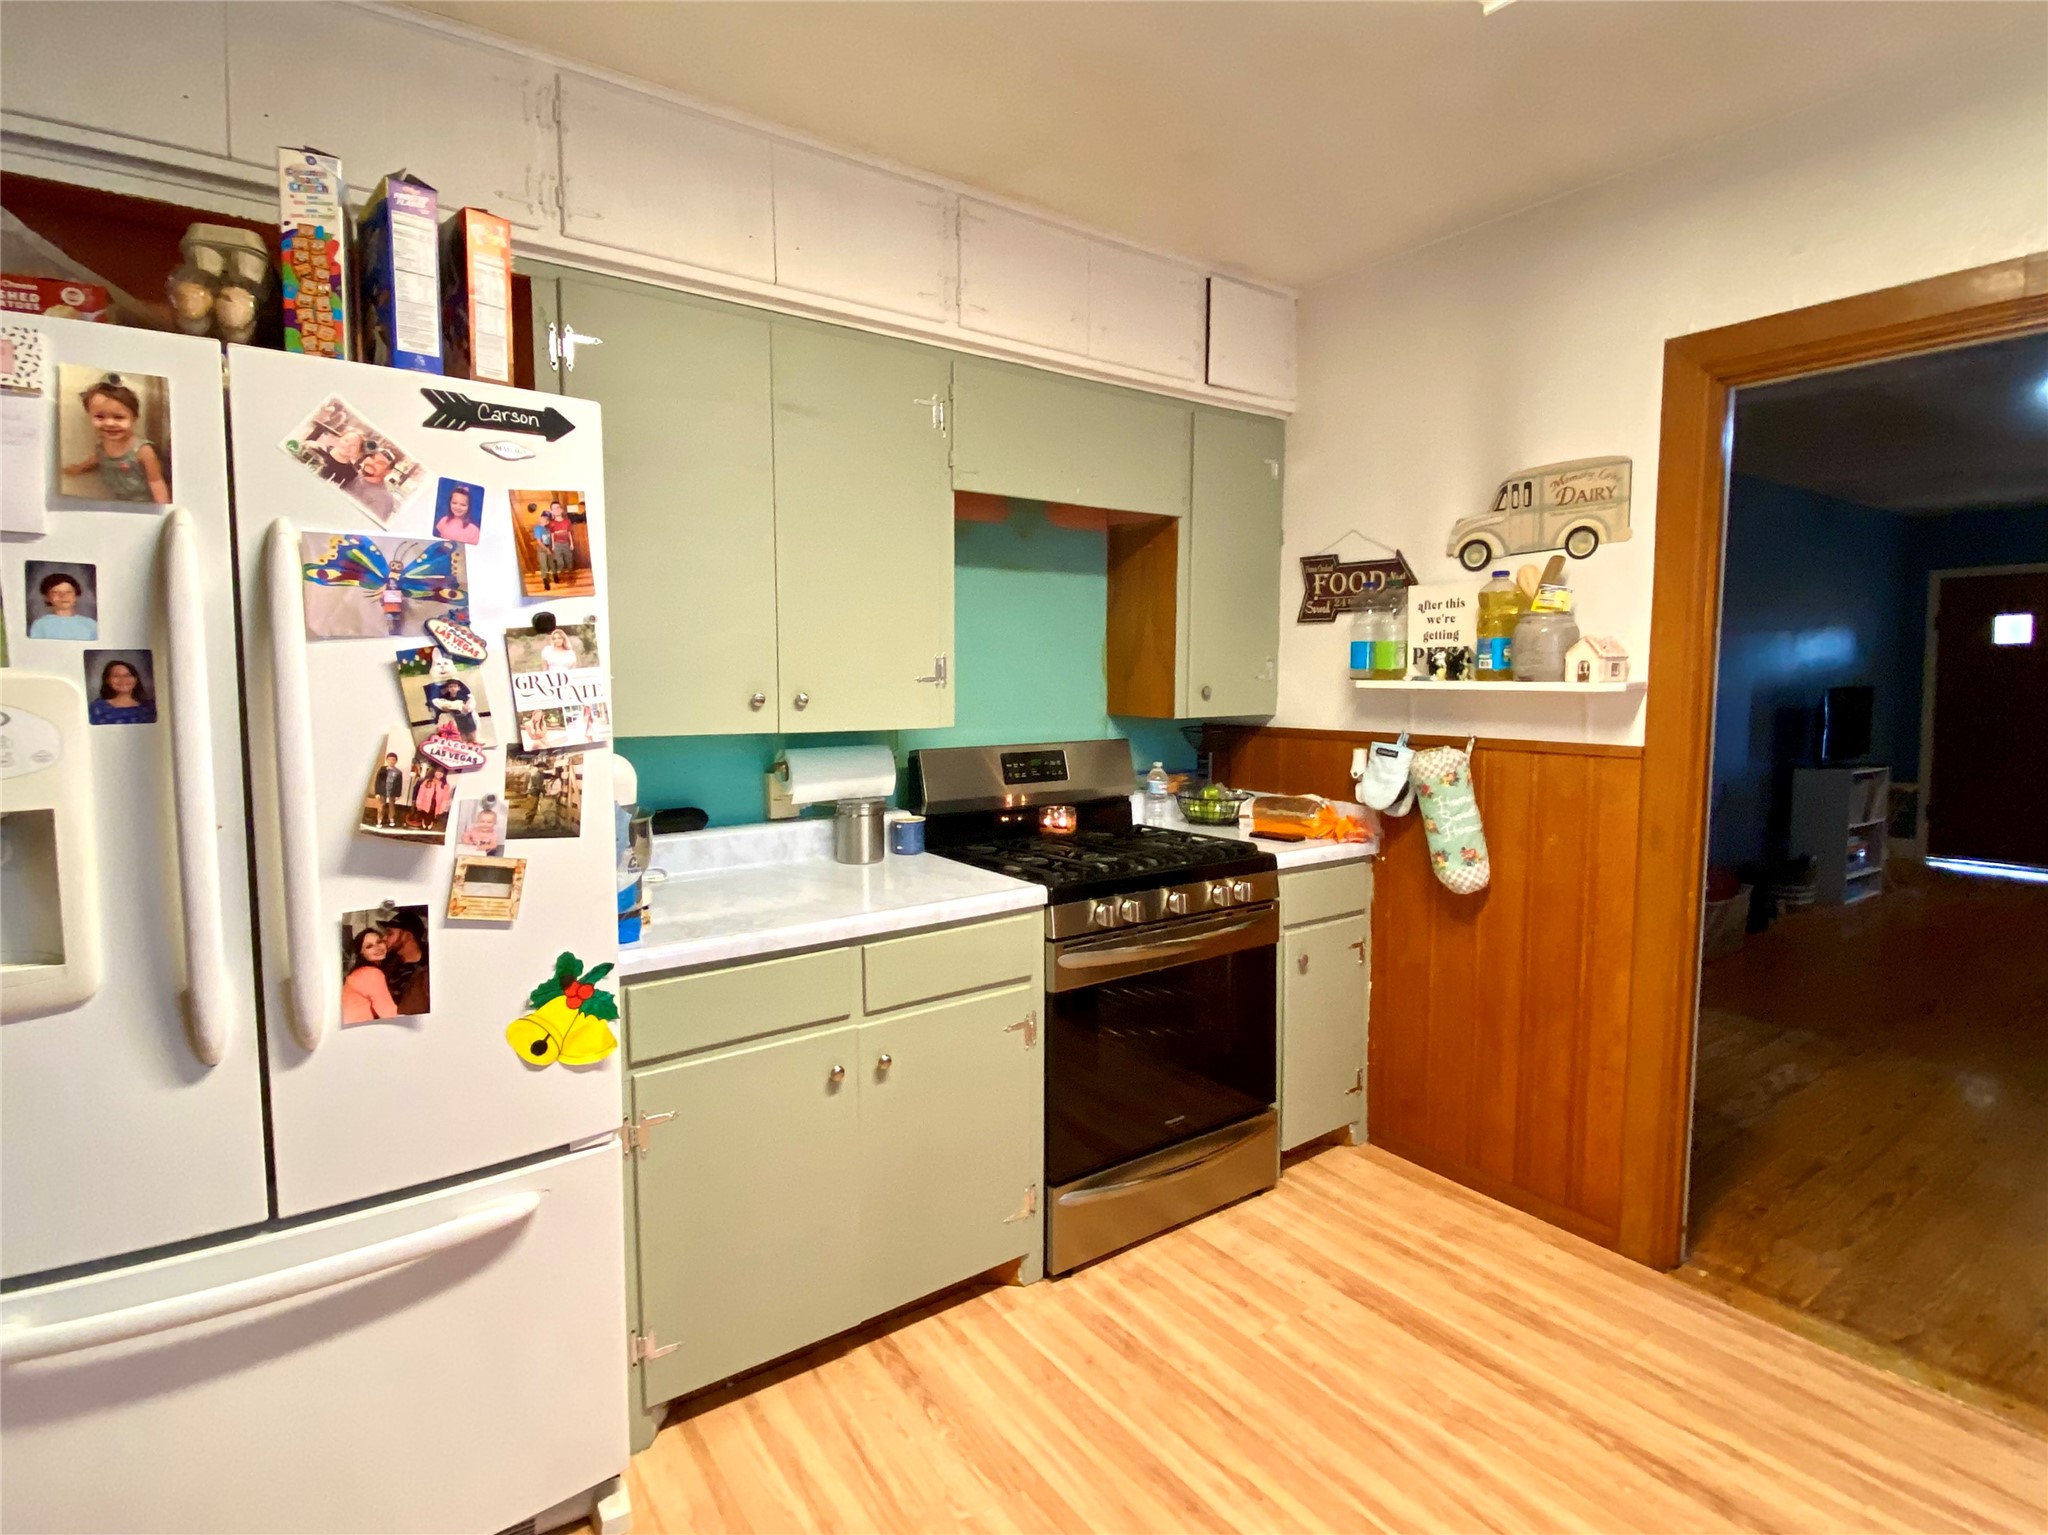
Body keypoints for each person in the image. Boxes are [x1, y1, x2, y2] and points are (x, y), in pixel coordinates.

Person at [62, 376, 170, 503]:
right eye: (100, 416)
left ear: (134, 418)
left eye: (118, 417)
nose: (109, 423)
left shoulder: (143, 450)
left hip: (144, 502)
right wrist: (80, 468)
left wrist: (163, 508)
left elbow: (156, 481)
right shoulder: (102, 442)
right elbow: (98, 457)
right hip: (120, 501)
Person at [340, 927, 398, 1024]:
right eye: (369, 946)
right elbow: (389, 1014)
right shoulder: (371, 974)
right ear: (361, 953)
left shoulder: (359, 973)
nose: (377, 947)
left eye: (379, 942)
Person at [379, 909, 431, 1017]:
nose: (384, 938)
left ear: (407, 936)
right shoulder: (386, 964)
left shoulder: (429, 968)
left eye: (390, 933)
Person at [29, 571, 96, 639]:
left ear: (76, 596)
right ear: (47, 597)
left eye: (68, 592)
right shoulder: (40, 624)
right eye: (55, 592)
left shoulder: (91, 624)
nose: (63, 596)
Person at [87, 657, 154, 725]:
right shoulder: (97, 708)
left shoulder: (150, 706)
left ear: (136, 679)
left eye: (128, 675)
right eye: (116, 676)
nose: (123, 679)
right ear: (107, 680)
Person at [350, 445, 402, 524]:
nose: (372, 463)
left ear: (387, 472)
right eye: (372, 458)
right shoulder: (352, 475)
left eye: (380, 463)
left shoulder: (382, 499)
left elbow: (366, 526)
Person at [412, 763, 452, 831]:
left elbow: (445, 798)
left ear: (444, 775)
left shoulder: (445, 785)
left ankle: (430, 823)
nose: (439, 774)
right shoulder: (427, 781)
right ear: (434, 772)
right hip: (426, 802)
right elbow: (421, 793)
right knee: (425, 813)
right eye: (437, 772)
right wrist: (418, 803)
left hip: (436, 803)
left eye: (441, 773)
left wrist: (442, 807)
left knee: (432, 814)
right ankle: (424, 823)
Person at [372, 751, 406, 828]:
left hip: (392, 791)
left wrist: (398, 794)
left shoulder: (398, 772)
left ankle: (391, 818)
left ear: (396, 761)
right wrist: (377, 792)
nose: (391, 761)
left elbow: (399, 784)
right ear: (387, 760)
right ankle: (379, 820)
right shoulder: (382, 769)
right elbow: (378, 781)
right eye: (389, 759)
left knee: (392, 806)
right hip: (382, 790)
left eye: (393, 760)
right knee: (381, 805)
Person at [545, 499, 577, 580]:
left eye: (558, 507)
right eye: (554, 508)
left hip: (566, 544)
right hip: (557, 545)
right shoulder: (551, 523)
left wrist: (571, 543)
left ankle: (570, 576)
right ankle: (560, 575)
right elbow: (552, 534)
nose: (556, 510)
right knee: (560, 563)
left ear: (561, 509)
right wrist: (553, 546)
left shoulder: (567, 521)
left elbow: (569, 532)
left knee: (569, 560)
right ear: (552, 511)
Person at [528, 506, 556, 591]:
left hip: (548, 547)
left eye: (545, 518)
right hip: (542, 549)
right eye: (542, 517)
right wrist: (547, 550)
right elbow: (539, 542)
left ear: (547, 521)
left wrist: (551, 548)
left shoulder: (547, 529)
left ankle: (554, 577)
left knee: (551, 564)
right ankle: (545, 582)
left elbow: (549, 539)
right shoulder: (538, 528)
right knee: (544, 566)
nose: (543, 519)